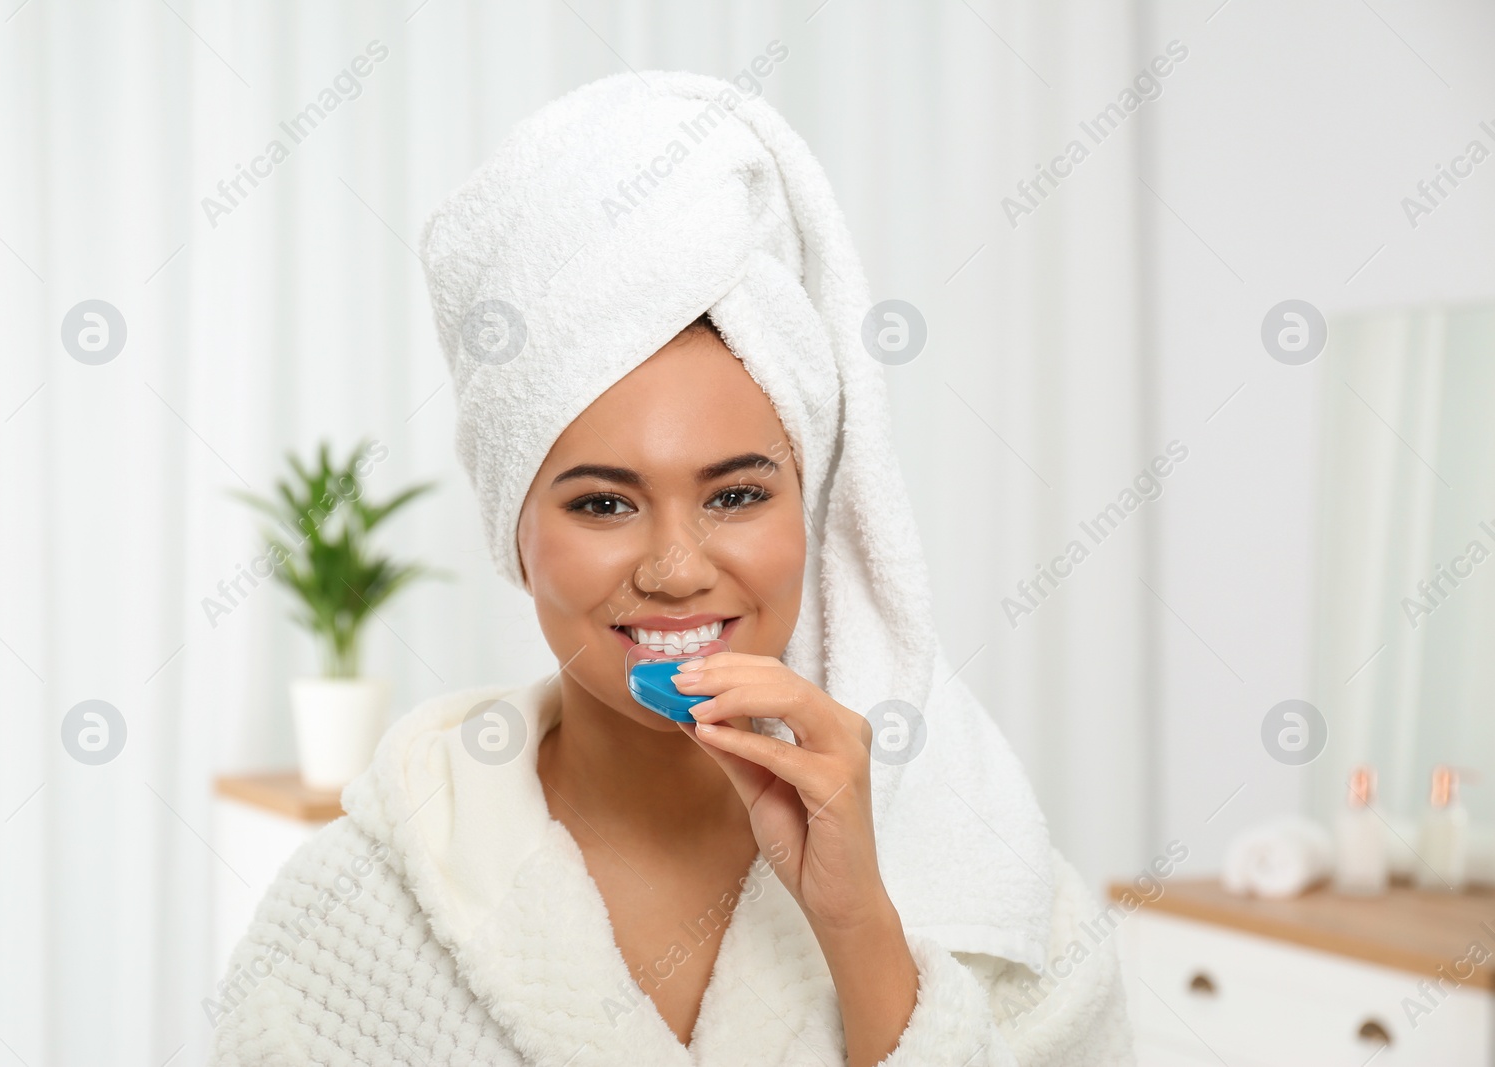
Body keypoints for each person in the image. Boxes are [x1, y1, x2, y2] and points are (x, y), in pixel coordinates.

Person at [209, 71, 1134, 1067]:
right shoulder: (349, 918)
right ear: (515, 533)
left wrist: (859, 923)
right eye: (601, 502)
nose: (677, 568)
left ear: (808, 506)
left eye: (735, 494)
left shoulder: (999, 897)